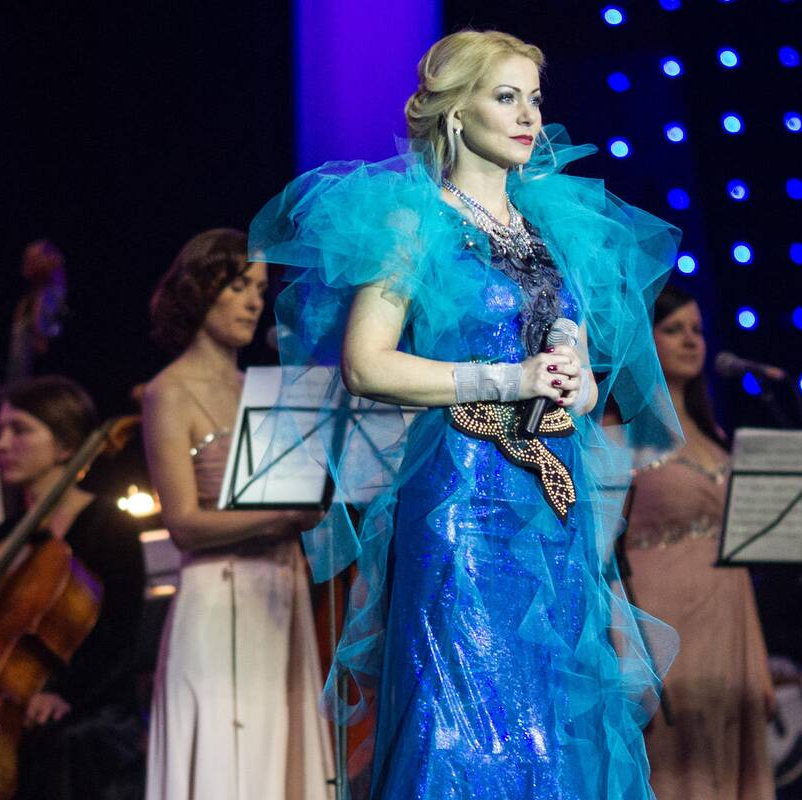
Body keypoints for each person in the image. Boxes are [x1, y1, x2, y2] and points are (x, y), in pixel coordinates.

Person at [251, 30, 682, 799]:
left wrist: (572, 381)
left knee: (552, 721)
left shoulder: (552, 227)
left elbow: (583, 386)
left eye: (534, 99)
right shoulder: (414, 221)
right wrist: (509, 378)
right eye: (506, 97)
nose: (529, 117)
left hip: (552, 506)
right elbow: (366, 363)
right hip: (462, 500)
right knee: (458, 722)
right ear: (456, 113)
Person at [142, 228, 333, 800]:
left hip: (280, 590)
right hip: (218, 597)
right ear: (200, 291)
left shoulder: (265, 387)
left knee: (281, 758)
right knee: (227, 765)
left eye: (258, 289)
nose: (254, 302)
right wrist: (282, 517)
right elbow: (183, 525)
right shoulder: (168, 392)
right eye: (238, 287)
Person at [619, 286, 774, 799]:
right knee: (672, 767)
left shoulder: (715, 434)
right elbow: (603, 555)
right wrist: (625, 652)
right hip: (662, 620)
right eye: (673, 330)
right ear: (644, 340)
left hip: (729, 620)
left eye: (697, 330)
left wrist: (759, 659)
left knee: (728, 762)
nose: (691, 341)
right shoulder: (621, 430)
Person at [0, 375, 146, 799]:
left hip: (92, 704)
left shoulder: (109, 526)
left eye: (19, 430)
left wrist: (62, 694)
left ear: (67, 446)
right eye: (0, 430)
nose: (2, 443)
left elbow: (120, 635)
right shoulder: (1, 538)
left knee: (64, 745)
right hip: (15, 701)